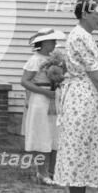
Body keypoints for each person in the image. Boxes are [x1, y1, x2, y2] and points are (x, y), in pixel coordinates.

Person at [53, 0, 98, 193]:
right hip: (82, 99)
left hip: (85, 97)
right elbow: (97, 75)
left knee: (84, 154)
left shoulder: (85, 36)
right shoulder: (80, 36)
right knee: (78, 154)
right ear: (86, 14)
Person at [20, 28, 65, 185]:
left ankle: (53, 172)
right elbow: (25, 81)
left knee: (55, 135)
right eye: (51, 41)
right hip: (40, 99)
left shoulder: (57, 60)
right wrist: (45, 92)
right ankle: (42, 172)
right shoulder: (35, 59)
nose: (54, 44)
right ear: (43, 43)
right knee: (42, 135)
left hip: (55, 99)